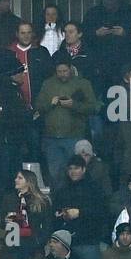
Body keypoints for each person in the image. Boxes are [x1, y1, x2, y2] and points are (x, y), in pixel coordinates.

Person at [36, 59, 100, 189]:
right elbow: (38, 106)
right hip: (51, 138)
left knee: (75, 174)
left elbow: (93, 107)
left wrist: (74, 105)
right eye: (59, 71)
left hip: (74, 136)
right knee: (55, 175)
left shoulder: (83, 84)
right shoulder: (47, 84)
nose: (62, 74)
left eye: (65, 71)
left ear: (70, 68)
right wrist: (50, 103)